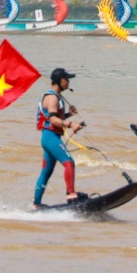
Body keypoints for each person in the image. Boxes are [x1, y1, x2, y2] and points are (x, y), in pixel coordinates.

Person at [34, 68, 83, 208]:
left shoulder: (55, 97)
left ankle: (36, 205)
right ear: (59, 81)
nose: (68, 82)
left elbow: (53, 118)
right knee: (68, 162)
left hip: (50, 137)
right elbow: (54, 120)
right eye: (66, 79)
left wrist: (68, 115)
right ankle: (71, 195)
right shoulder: (52, 98)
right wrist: (71, 124)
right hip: (50, 137)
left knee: (46, 172)